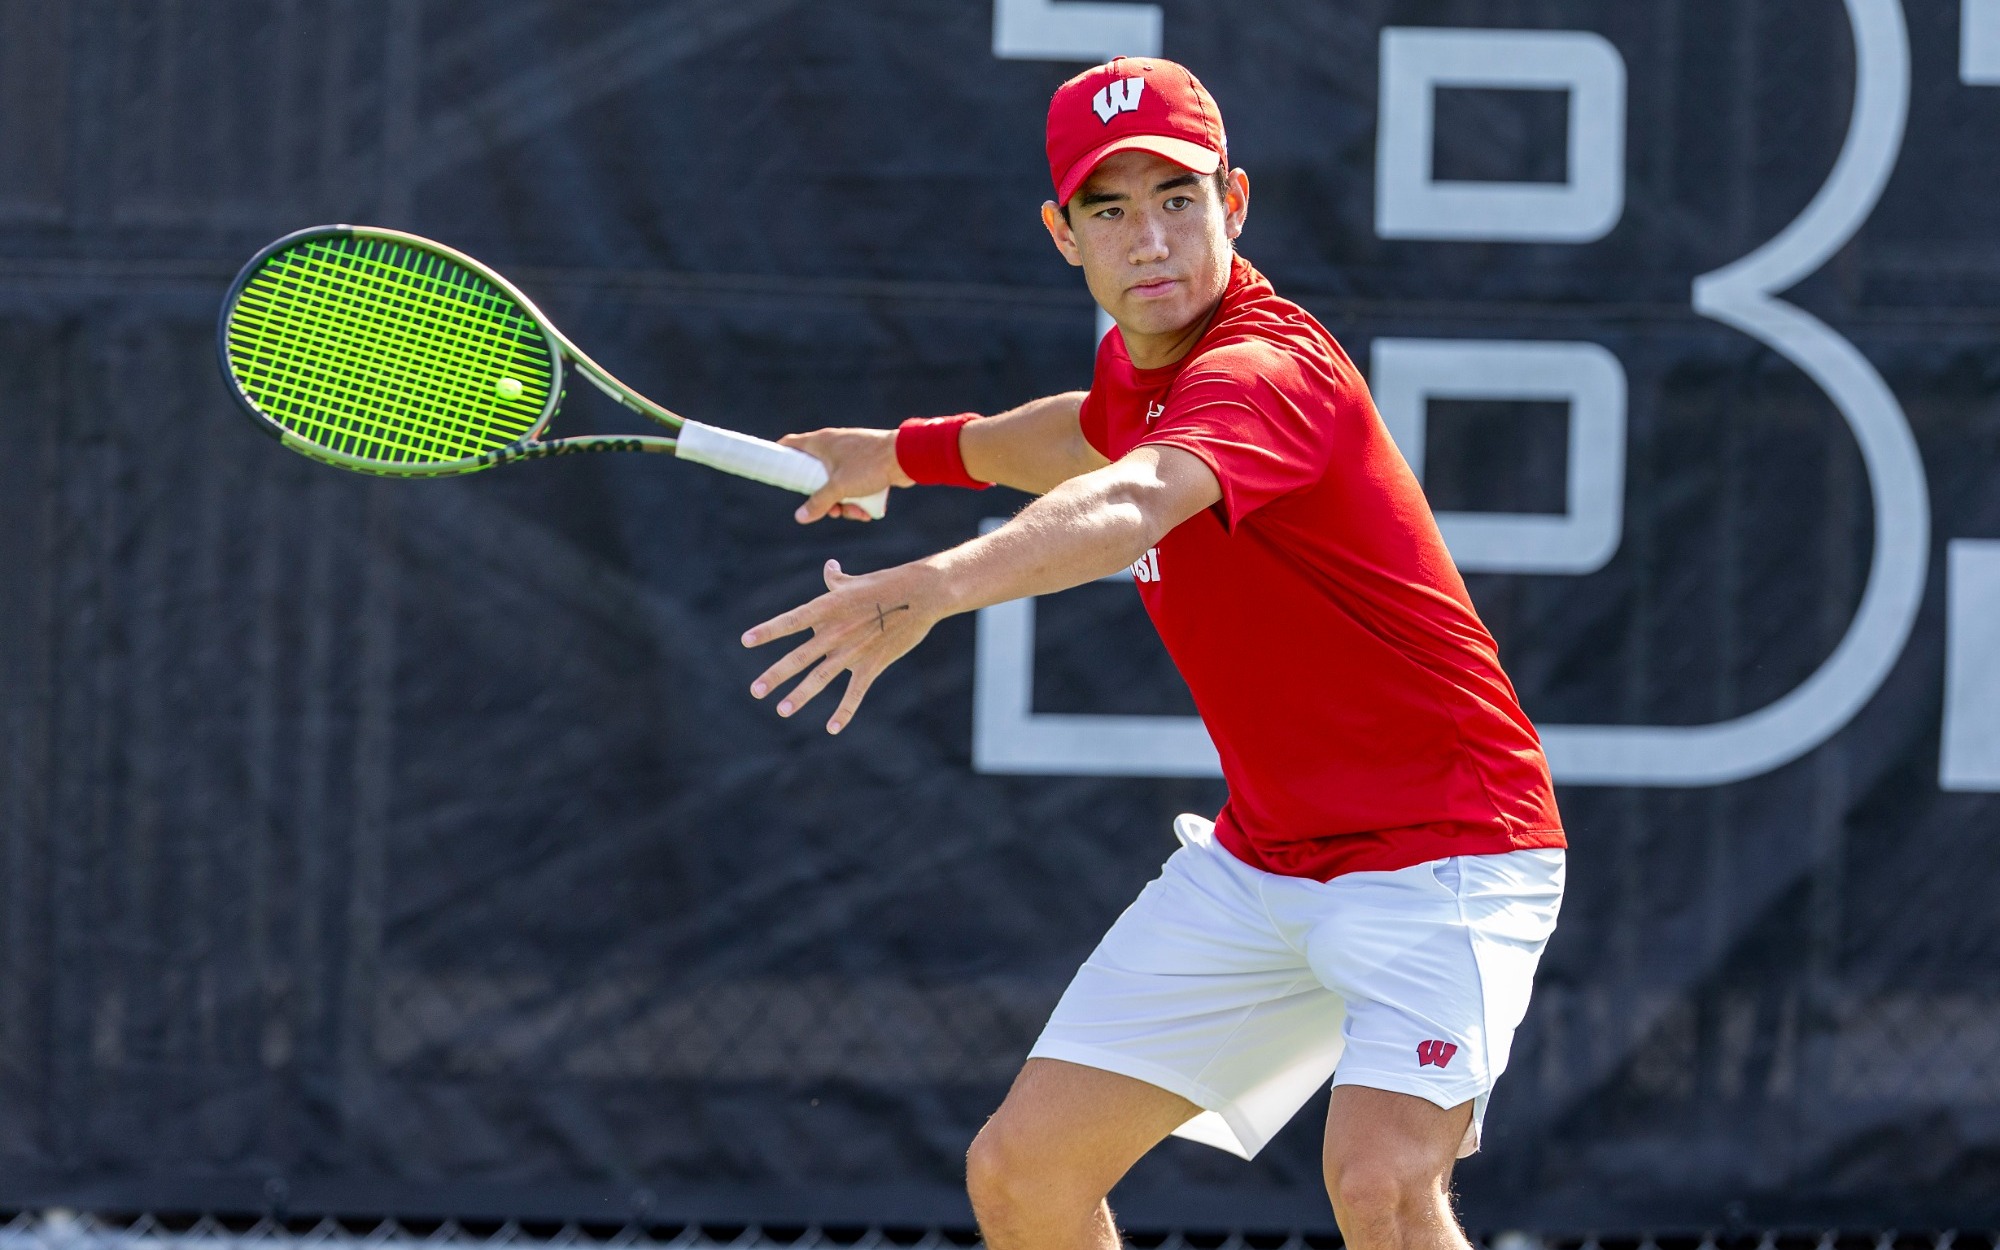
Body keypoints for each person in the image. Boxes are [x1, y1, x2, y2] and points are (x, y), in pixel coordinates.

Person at [740, 56, 1566, 1250]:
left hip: (1446, 849)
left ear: (1234, 202)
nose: (1150, 240)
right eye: (1111, 209)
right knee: (1022, 1173)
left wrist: (934, 585)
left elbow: (1132, 493)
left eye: (1177, 199)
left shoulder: (1266, 369)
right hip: (1264, 857)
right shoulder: (1140, 371)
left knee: (1381, 1183)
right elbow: (1086, 433)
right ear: (1062, 235)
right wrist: (902, 453)